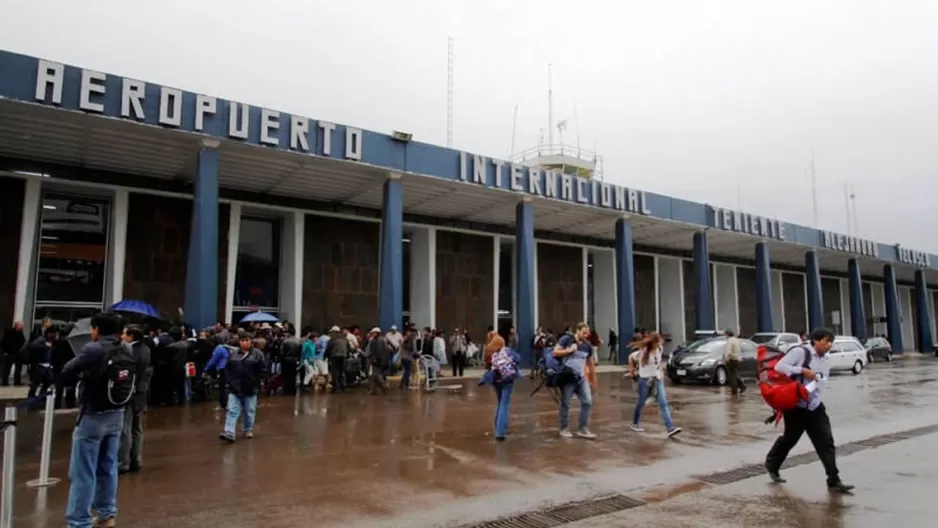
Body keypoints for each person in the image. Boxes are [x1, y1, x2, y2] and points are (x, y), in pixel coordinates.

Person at [60, 312, 136, 528]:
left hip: (93, 415)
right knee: (108, 466)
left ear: (97, 329)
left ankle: (79, 521)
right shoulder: (126, 349)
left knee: (83, 471)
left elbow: (67, 372)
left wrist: (83, 376)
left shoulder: (94, 349)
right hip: (117, 412)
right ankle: (106, 513)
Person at [764, 328, 853, 493]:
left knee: (826, 442)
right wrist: (802, 370)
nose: (829, 345)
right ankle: (772, 464)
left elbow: (821, 380)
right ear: (816, 340)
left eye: (831, 341)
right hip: (797, 407)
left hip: (815, 407)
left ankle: (833, 480)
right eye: (826, 341)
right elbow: (779, 366)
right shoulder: (801, 352)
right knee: (790, 439)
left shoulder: (826, 359)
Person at [629, 332, 682, 437]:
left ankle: (670, 427)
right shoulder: (643, 351)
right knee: (641, 402)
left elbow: (658, 364)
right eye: (658, 342)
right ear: (653, 342)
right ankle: (635, 423)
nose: (660, 343)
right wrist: (633, 370)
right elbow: (631, 357)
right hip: (645, 380)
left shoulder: (660, 349)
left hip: (657, 380)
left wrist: (661, 373)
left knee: (663, 403)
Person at [220, 331, 267, 443]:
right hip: (234, 387)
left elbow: (263, 370)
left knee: (249, 410)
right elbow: (227, 369)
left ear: (251, 341)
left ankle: (248, 429)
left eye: (246, 340)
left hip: (251, 388)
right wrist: (230, 381)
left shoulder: (258, 354)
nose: (244, 343)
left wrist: (258, 382)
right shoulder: (234, 354)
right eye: (242, 340)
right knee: (232, 410)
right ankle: (229, 432)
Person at [553, 322, 597, 439]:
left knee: (587, 401)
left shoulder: (588, 346)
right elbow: (555, 352)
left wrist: (592, 381)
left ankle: (583, 429)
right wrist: (569, 350)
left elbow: (591, 364)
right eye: (584, 332)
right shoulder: (566, 339)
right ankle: (564, 428)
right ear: (577, 330)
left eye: (587, 333)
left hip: (581, 378)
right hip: (568, 377)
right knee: (566, 403)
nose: (586, 335)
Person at [118, 325, 151, 474]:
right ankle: (136, 459)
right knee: (137, 428)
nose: (122, 336)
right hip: (141, 392)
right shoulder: (146, 350)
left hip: (129, 391)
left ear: (131, 336)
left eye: (125, 334)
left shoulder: (128, 350)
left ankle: (123, 462)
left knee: (125, 428)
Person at [484, 333, 518, 441]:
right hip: (507, 379)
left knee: (500, 403)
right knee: (504, 404)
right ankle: (500, 432)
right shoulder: (506, 351)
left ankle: (498, 426)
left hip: (495, 378)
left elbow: (486, 365)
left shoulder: (488, 350)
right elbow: (517, 359)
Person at [1, 320, 26, 386]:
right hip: (10, 353)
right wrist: (5, 351)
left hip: (18, 352)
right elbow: (3, 342)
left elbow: (23, 340)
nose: (23, 326)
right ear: (17, 325)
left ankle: (17, 382)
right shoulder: (10, 332)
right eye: (21, 325)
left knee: (18, 368)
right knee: (7, 368)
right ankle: (4, 382)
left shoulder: (20, 332)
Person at [366, 327, 391, 395]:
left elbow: (379, 352)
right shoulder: (380, 339)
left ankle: (384, 387)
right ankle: (374, 390)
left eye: (373, 333)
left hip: (378, 360)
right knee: (374, 376)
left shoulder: (378, 340)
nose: (372, 334)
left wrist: (377, 359)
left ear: (377, 333)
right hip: (380, 360)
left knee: (376, 375)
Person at [723, 329, 746, 395]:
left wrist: (726, 359)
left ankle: (734, 389)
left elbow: (728, 351)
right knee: (735, 373)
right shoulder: (736, 340)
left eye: (725, 334)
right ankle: (742, 386)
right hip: (736, 359)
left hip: (731, 359)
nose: (725, 336)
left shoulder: (729, 341)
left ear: (727, 334)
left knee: (731, 375)